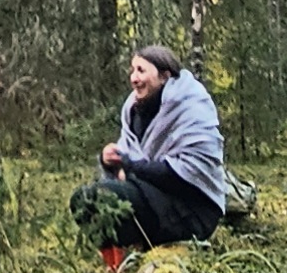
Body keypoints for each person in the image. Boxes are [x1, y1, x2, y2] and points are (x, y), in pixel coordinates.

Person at [72, 45, 233, 254]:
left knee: (106, 196)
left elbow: (183, 174)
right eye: (132, 70)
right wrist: (109, 160)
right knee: (82, 199)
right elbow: (129, 154)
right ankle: (115, 263)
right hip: (154, 198)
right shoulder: (135, 109)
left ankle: (141, 249)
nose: (134, 78)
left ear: (164, 76)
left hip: (191, 211)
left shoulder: (190, 106)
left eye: (141, 70)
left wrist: (130, 167)